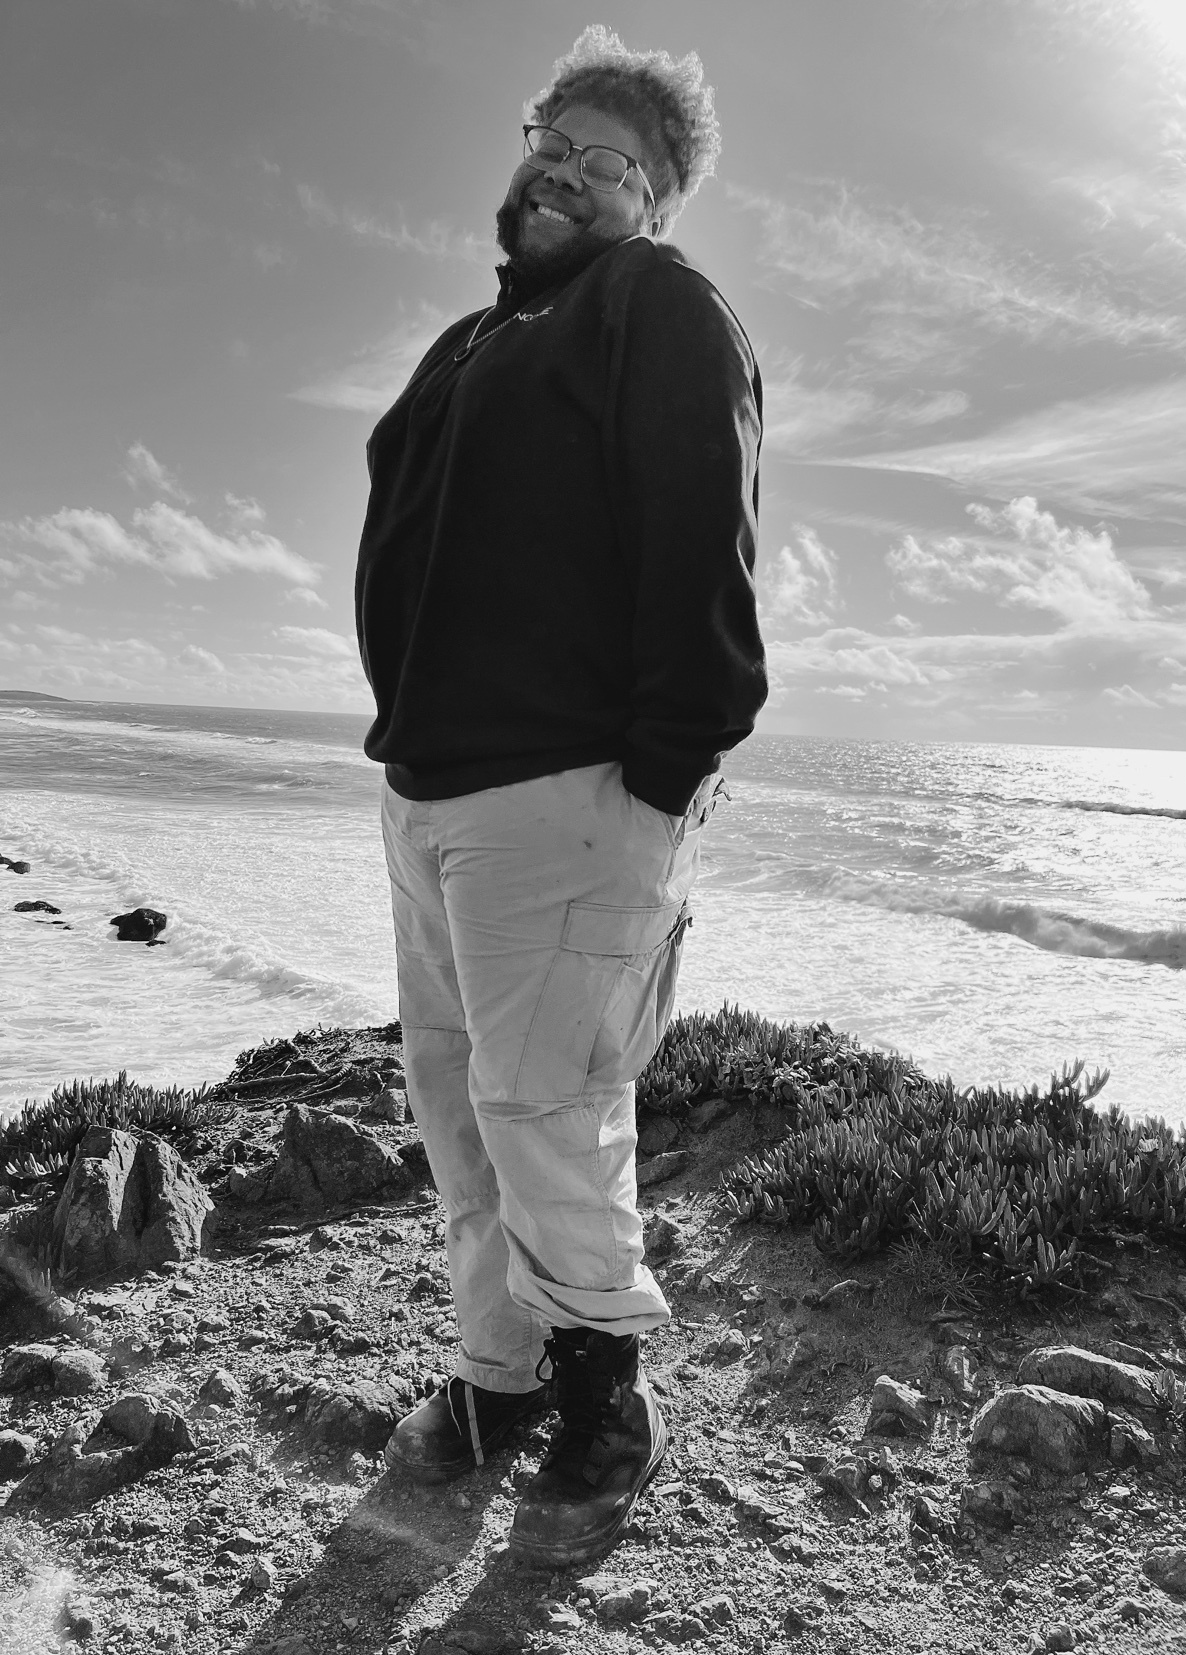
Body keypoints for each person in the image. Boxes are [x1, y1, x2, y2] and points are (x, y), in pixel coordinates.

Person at [354, 25, 766, 1567]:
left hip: (573, 791)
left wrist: (661, 778)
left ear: (654, 210)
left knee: (550, 1107)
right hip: (428, 790)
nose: (576, 178)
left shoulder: (653, 306)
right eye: (562, 145)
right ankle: (495, 1374)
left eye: (621, 169)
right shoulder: (467, 342)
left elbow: (700, 546)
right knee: (457, 1110)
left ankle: (606, 1392)